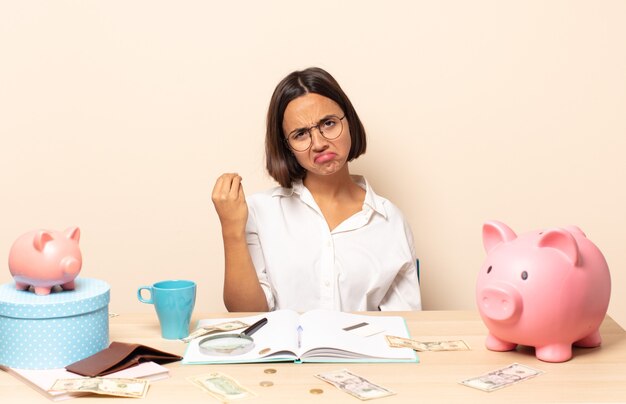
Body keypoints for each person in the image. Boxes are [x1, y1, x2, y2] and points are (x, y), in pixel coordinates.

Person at [211, 67, 421, 312]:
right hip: (284, 351)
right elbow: (246, 314)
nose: (319, 143)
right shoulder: (259, 212)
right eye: (300, 134)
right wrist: (231, 230)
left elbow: (405, 325)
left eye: (329, 123)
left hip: (362, 351)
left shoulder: (389, 220)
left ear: (349, 121)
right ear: (287, 147)